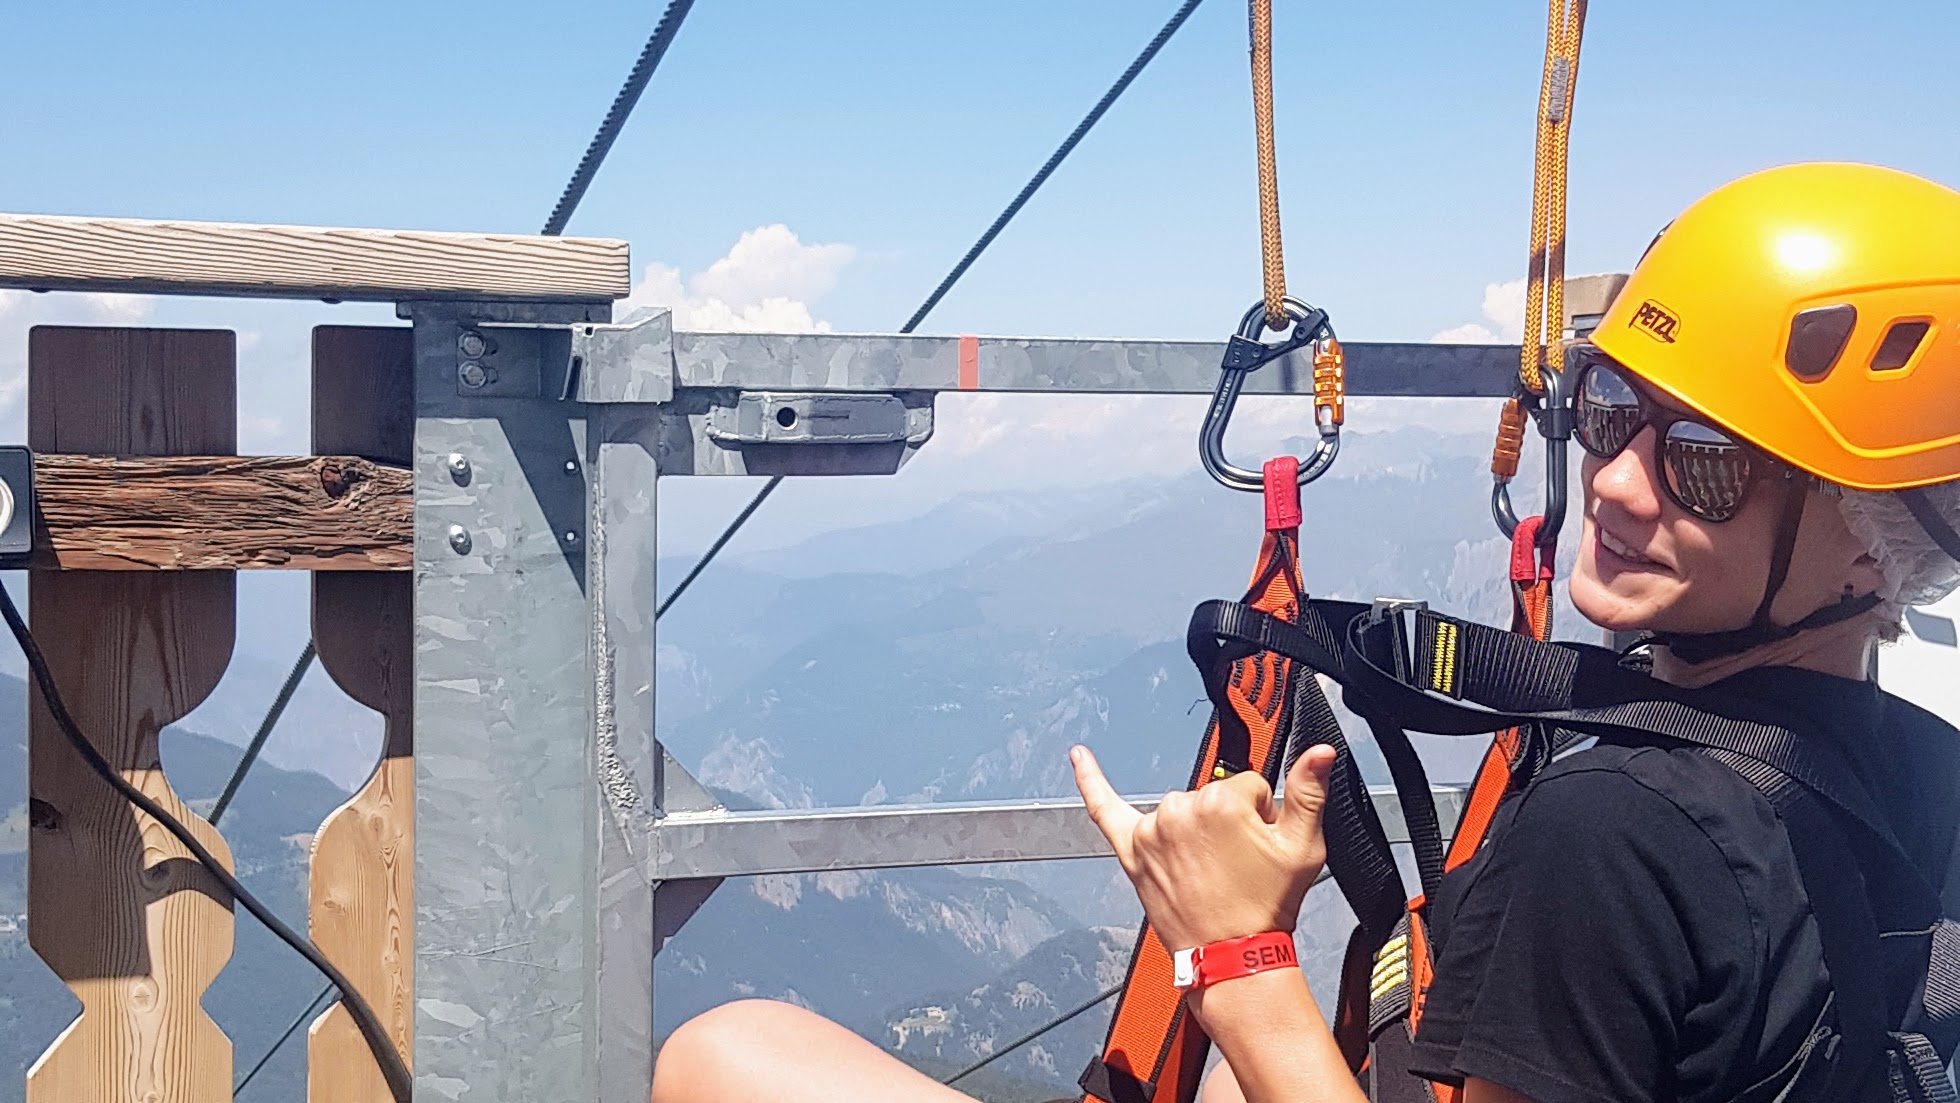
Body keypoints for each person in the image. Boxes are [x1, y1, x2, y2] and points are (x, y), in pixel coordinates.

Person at [650, 161, 1960, 1103]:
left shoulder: (1622, 837)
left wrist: (1236, 955)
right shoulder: (1916, 778)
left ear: (1874, 533)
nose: (1617, 482)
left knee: (730, 1057)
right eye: (1609, 406)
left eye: (1705, 460)